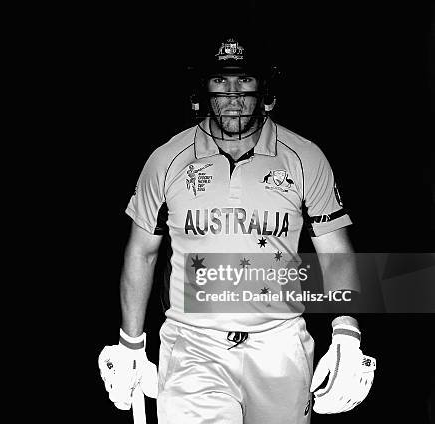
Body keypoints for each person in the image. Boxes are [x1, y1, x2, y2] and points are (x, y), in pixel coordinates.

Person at [98, 35, 376, 423]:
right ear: (204, 90)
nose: (232, 94)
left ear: (264, 90)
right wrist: (131, 343)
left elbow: (334, 250)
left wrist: (347, 332)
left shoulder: (305, 157)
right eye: (220, 81)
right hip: (193, 346)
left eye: (244, 81)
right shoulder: (166, 160)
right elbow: (142, 251)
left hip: (281, 346)